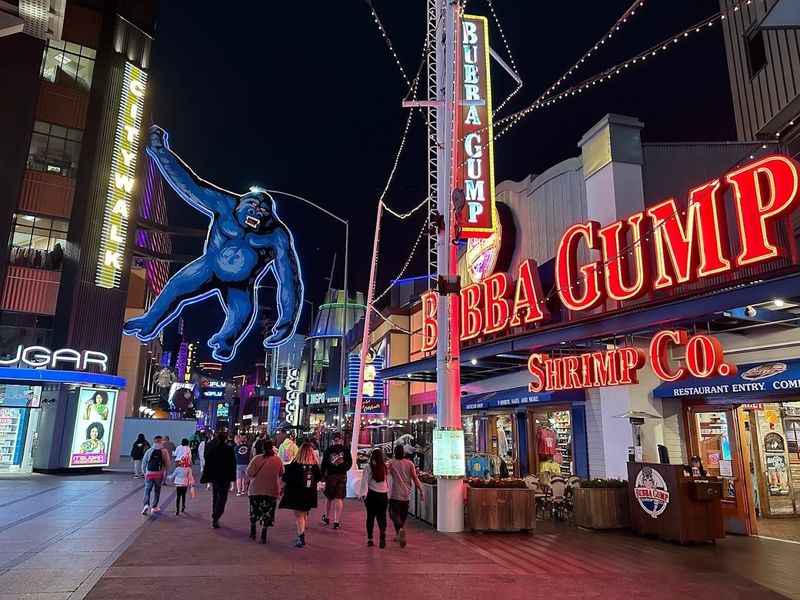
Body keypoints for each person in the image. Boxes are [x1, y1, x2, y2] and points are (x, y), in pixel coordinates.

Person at [279, 442, 322, 547]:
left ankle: (301, 536)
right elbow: (319, 478)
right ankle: (302, 529)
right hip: (309, 494)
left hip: (297, 494)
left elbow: (286, 478)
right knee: (304, 513)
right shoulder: (314, 466)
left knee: (299, 516)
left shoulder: (295, 465)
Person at [246, 439, 284, 543]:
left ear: (262, 448)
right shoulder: (277, 460)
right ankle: (264, 532)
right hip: (271, 490)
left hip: (255, 490)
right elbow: (281, 473)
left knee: (254, 510)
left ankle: (253, 529)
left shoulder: (257, 459)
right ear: (272, 448)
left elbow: (249, 472)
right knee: (268, 512)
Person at [388, 445, 423, 548]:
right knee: (402, 516)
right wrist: (421, 490)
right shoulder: (410, 463)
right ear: (403, 453)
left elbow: (383, 471)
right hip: (406, 495)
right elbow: (415, 478)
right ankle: (399, 533)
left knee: (393, 514)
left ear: (395, 452)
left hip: (395, 494)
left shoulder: (392, 463)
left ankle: (400, 530)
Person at [201, 429, 236, 528]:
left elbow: (206, 458)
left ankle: (215, 516)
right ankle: (216, 515)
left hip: (214, 476)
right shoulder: (229, 449)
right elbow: (232, 464)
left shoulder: (212, 448)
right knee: (222, 498)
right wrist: (232, 478)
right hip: (225, 477)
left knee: (215, 497)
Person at [358, 448, 389, 548]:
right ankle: (382, 532)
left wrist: (363, 494)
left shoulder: (368, 467)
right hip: (383, 495)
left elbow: (364, 481)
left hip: (372, 495)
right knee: (382, 516)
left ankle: (370, 538)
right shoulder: (384, 467)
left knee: (370, 517)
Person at [320, 433, 352, 529]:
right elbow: (349, 463)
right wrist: (343, 467)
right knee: (339, 498)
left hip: (331, 476)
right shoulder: (346, 450)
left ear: (333, 440)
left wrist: (322, 477)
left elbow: (323, 465)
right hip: (342, 475)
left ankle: (326, 517)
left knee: (329, 497)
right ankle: (336, 521)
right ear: (341, 440)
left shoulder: (328, 450)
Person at [141, 435, 171, 515]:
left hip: (149, 473)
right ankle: (154, 507)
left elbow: (144, 462)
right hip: (159, 474)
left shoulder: (150, 450)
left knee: (147, 490)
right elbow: (167, 464)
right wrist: (165, 472)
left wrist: (144, 472)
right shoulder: (164, 451)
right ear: (161, 441)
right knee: (157, 490)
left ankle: (146, 505)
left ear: (154, 441)